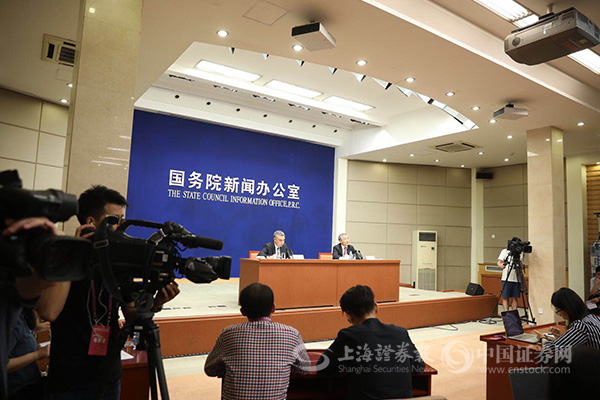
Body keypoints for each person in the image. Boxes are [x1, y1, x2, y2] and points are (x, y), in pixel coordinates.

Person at [36, 185, 180, 400]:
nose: (120, 228)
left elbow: (131, 315)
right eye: (114, 220)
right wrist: (74, 254)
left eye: (122, 220)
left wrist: (157, 302)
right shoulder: (61, 257)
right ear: (90, 222)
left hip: (109, 373)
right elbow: (48, 312)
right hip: (70, 377)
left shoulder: (118, 264)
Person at [205, 283, 310, 400]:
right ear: (273, 308)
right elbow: (304, 368)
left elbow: (210, 369)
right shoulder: (292, 334)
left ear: (242, 311)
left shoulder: (228, 334)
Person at [318, 285, 424, 400]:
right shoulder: (401, 333)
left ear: (349, 316)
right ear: (376, 307)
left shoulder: (349, 336)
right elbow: (419, 367)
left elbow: (322, 366)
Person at [1, 217, 63, 400]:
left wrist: (39, 328)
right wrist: (39, 354)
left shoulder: (18, 311)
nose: (51, 284)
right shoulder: (8, 305)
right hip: (19, 390)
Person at [536, 287, 600, 364]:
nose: (559, 314)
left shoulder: (581, 326)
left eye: (558, 310)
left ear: (567, 308)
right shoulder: (592, 317)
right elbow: (578, 342)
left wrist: (542, 338)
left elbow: (551, 350)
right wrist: (561, 337)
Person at [6, 309, 48, 400]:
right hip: (20, 389)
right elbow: (4, 365)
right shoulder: (13, 322)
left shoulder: (22, 317)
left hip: (32, 382)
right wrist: (38, 354)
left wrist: (36, 328)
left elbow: (21, 335)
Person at [497, 240, 524, 311]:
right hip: (507, 277)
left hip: (516, 278)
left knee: (515, 297)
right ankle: (506, 313)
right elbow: (499, 262)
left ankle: (514, 312)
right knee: (505, 297)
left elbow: (521, 263)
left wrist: (521, 266)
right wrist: (501, 265)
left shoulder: (520, 253)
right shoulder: (505, 251)